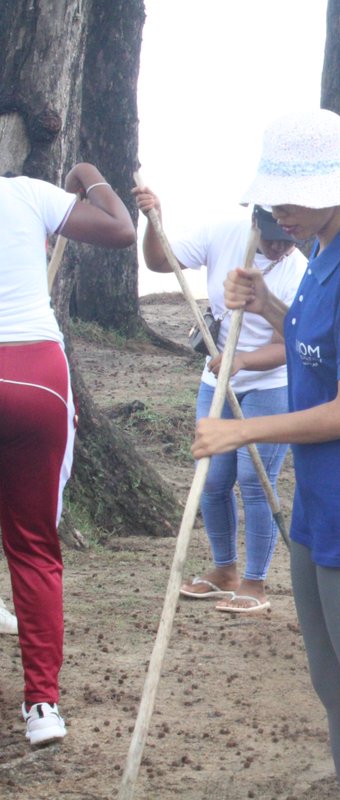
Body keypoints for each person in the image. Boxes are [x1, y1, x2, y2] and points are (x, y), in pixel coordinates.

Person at [195, 109, 340, 798]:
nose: (275, 210)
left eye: (288, 194)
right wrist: (265, 302)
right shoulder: (323, 254)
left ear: (333, 186)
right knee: (333, 687)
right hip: (319, 506)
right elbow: (311, 344)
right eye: (273, 194)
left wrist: (243, 431)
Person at [1, 164, 136, 746]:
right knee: (33, 548)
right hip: (34, 374)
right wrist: (87, 173)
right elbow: (120, 228)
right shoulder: (27, 193)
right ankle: (42, 708)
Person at [135, 192, 305, 614]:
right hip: (217, 379)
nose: (280, 246)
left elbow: (291, 345)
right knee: (211, 478)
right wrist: (153, 219)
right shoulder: (221, 233)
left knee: (254, 478)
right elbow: (161, 263)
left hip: (271, 384)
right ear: (254, 222)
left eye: (287, 239)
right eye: (271, 237)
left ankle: (255, 580)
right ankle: (224, 570)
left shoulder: (299, 268)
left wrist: (241, 361)